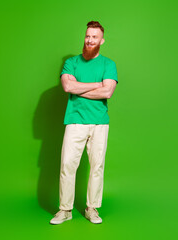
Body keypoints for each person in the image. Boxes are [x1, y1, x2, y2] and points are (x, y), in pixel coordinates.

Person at [50, 21, 118, 225]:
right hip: (75, 121)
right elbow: (67, 87)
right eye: (87, 36)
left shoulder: (109, 64)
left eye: (94, 37)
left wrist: (79, 87)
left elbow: (108, 91)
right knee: (67, 165)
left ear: (101, 41)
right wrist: (96, 84)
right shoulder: (72, 62)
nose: (89, 40)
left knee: (97, 166)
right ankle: (65, 210)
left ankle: (92, 208)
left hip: (99, 123)